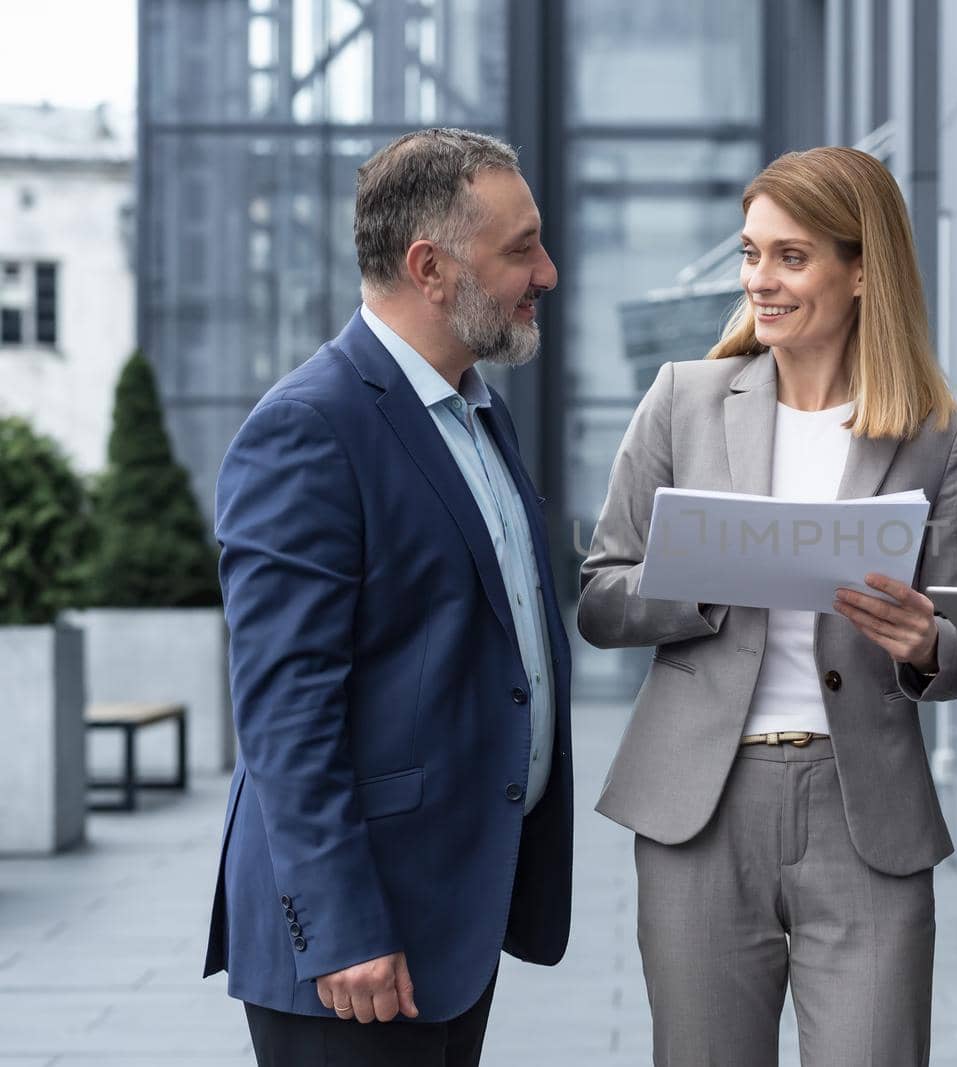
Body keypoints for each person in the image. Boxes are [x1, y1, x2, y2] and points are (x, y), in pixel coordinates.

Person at [578, 146, 957, 1066]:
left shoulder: (940, 431)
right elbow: (601, 598)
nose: (760, 280)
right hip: (701, 807)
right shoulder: (681, 399)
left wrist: (928, 643)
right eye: (751, 253)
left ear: (862, 270)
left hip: (866, 813)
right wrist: (701, 581)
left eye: (791, 257)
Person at [204, 128, 573, 1067]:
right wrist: (342, 927)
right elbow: (284, 711)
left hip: (449, 914)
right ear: (431, 266)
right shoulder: (308, 428)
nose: (549, 271)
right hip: (358, 949)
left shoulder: (475, 412)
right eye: (522, 246)